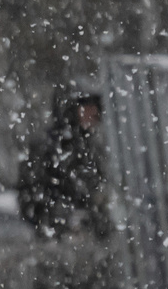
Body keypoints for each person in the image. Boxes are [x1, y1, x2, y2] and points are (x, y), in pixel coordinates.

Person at [17, 89, 110, 240]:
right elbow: (38, 189)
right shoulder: (56, 146)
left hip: (76, 229)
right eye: (88, 108)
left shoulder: (90, 146)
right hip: (61, 230)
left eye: (96, 109)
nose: (94, 115)